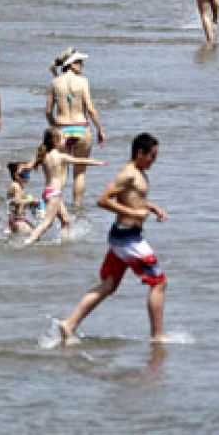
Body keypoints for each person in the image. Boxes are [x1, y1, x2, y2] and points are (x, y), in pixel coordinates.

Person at [56, 133, 168, 344]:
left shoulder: (139, 173)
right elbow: (103, 200)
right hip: (128, 239)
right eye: (152, 156)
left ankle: (69, 324)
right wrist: (134, 214)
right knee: (159, 282)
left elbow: (134, 199)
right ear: (139, 153)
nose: (155, 160)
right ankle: (157, 336)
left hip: (123, 237)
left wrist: (151, 208)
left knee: (109, 285)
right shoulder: (128, 174)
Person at [45, 47, 105, 205]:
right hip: (81, 127)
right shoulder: (83, 82)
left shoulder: (54, 83)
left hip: (62, 129)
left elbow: (48, 112)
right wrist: (100, 130)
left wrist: (54, 126)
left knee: (60, 173)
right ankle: (77, 208)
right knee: (79, 172)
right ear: (70, 64)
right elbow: (90, 109)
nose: (82, 64)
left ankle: (55, 205)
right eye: (79, 61)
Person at [23, 127, 103, 245]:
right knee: (47, 223)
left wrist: (21, 169)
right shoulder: (60, 156)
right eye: (63, 139)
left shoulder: (42, 156)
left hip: (48, 192)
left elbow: (28, 166)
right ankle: (27, 241)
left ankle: (63, 242)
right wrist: (96, 162)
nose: (65, 140)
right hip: (54, 194)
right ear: (56, 142)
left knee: (66, 221)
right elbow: (79, 160)